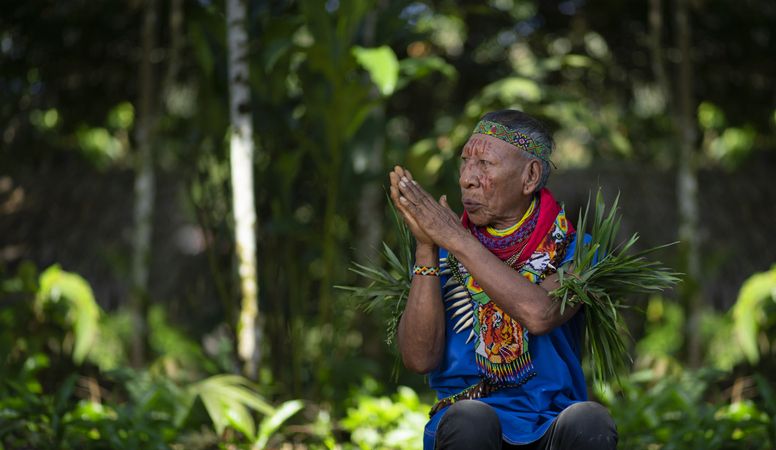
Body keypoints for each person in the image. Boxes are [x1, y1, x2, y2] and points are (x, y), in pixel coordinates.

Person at [388, 110, 618, 450]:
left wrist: (455, 239)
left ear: (530, 176)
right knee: (472, 420)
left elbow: (541, 313)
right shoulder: (440, 251)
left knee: (590, 420)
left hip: (549, 422)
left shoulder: (576, 251)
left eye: (484, 164)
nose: (467, 177)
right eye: (465, 161)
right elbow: (419, 360)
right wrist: (426, 247)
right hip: (469, 423)